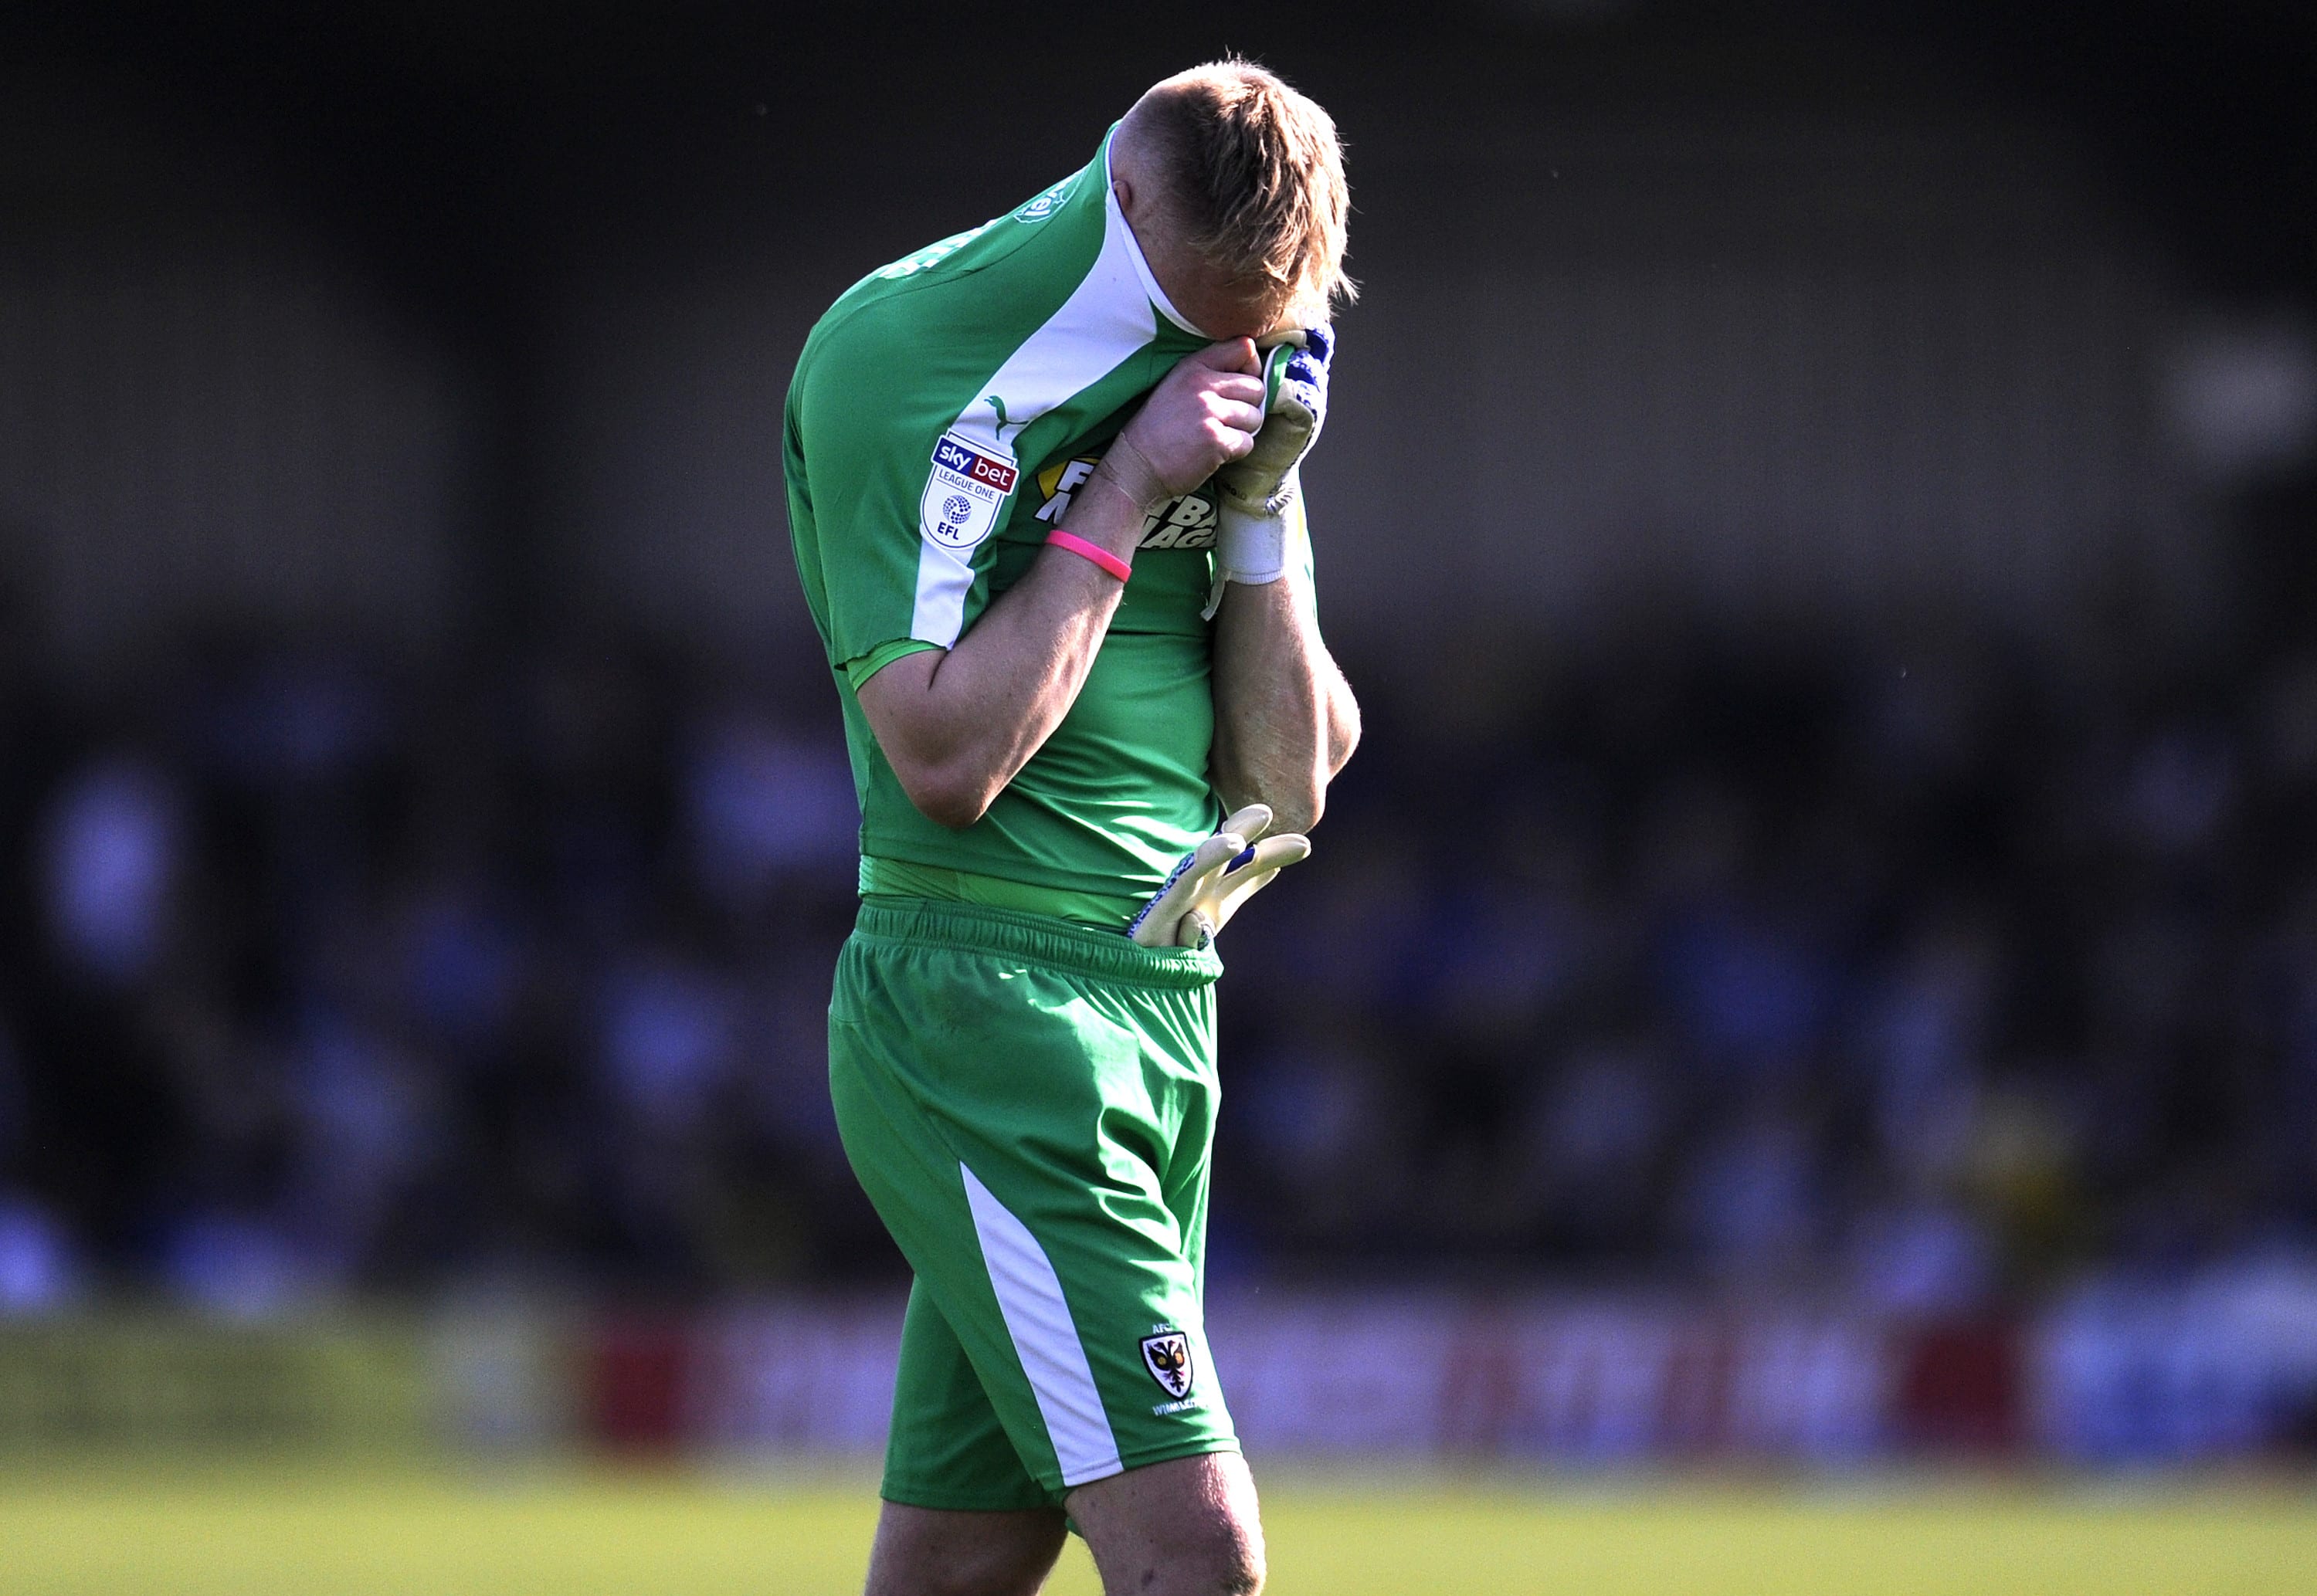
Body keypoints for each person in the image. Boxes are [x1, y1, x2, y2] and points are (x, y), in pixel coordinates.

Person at [784, 59, 1359, 1596]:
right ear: (1120, 192)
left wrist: (1254, 509)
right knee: (1201, 1554)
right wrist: (1130, 490)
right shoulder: (904, 355)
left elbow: (1293, 781)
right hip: (993, 1013)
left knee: (960, 1563)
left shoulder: (1247, 351)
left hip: (1169, 1008)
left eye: (1274, 317)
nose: (1237, 347)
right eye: (1204, 313)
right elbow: (945, 756)